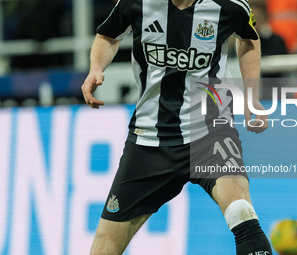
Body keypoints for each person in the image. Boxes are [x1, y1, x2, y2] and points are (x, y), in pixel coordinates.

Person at [81, 0, 273, 254]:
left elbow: (249, 38)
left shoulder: (228, 5)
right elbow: (107, 35)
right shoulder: (136, 3)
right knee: (105, 247)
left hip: (210, 132)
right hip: (149, 141)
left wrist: (252, 95)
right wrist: (96, 67)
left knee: (240, 209)